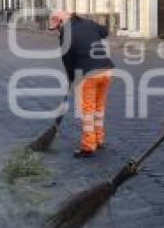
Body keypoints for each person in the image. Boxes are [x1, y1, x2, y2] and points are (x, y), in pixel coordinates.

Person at [49, 11, 115, 158]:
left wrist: (72, 78)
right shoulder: (89, 24)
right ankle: (99, 138)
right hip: (106, 71)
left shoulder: (65, 35)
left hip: (89, 74)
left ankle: (88, 146)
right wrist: (88, 27)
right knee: (99, 107)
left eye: (57, 26)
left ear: (61, 22)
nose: (57, 30)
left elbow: (67, 61)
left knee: (88, 110)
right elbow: (104, 31)